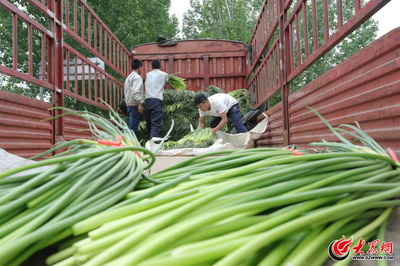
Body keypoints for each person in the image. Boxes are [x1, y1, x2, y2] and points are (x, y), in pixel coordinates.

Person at [144, 59, 168, 140]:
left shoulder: (148, 74)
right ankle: (153, 146)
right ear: (160, 66)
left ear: (151, 66)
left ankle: (149, 144)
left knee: (149, 124)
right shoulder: (164, 74)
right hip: (156, 100)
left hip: (147, 101)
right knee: (156, 124)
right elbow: (167, 81)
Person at [124, 59, 144, 136]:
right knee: (133, 129)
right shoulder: (137, 77)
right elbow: (135, 92)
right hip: (134, 106)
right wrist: (139, 103)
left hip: (129, 105)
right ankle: (129, 145)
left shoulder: (128, 78)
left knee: (132, 127)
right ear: (139, 66)